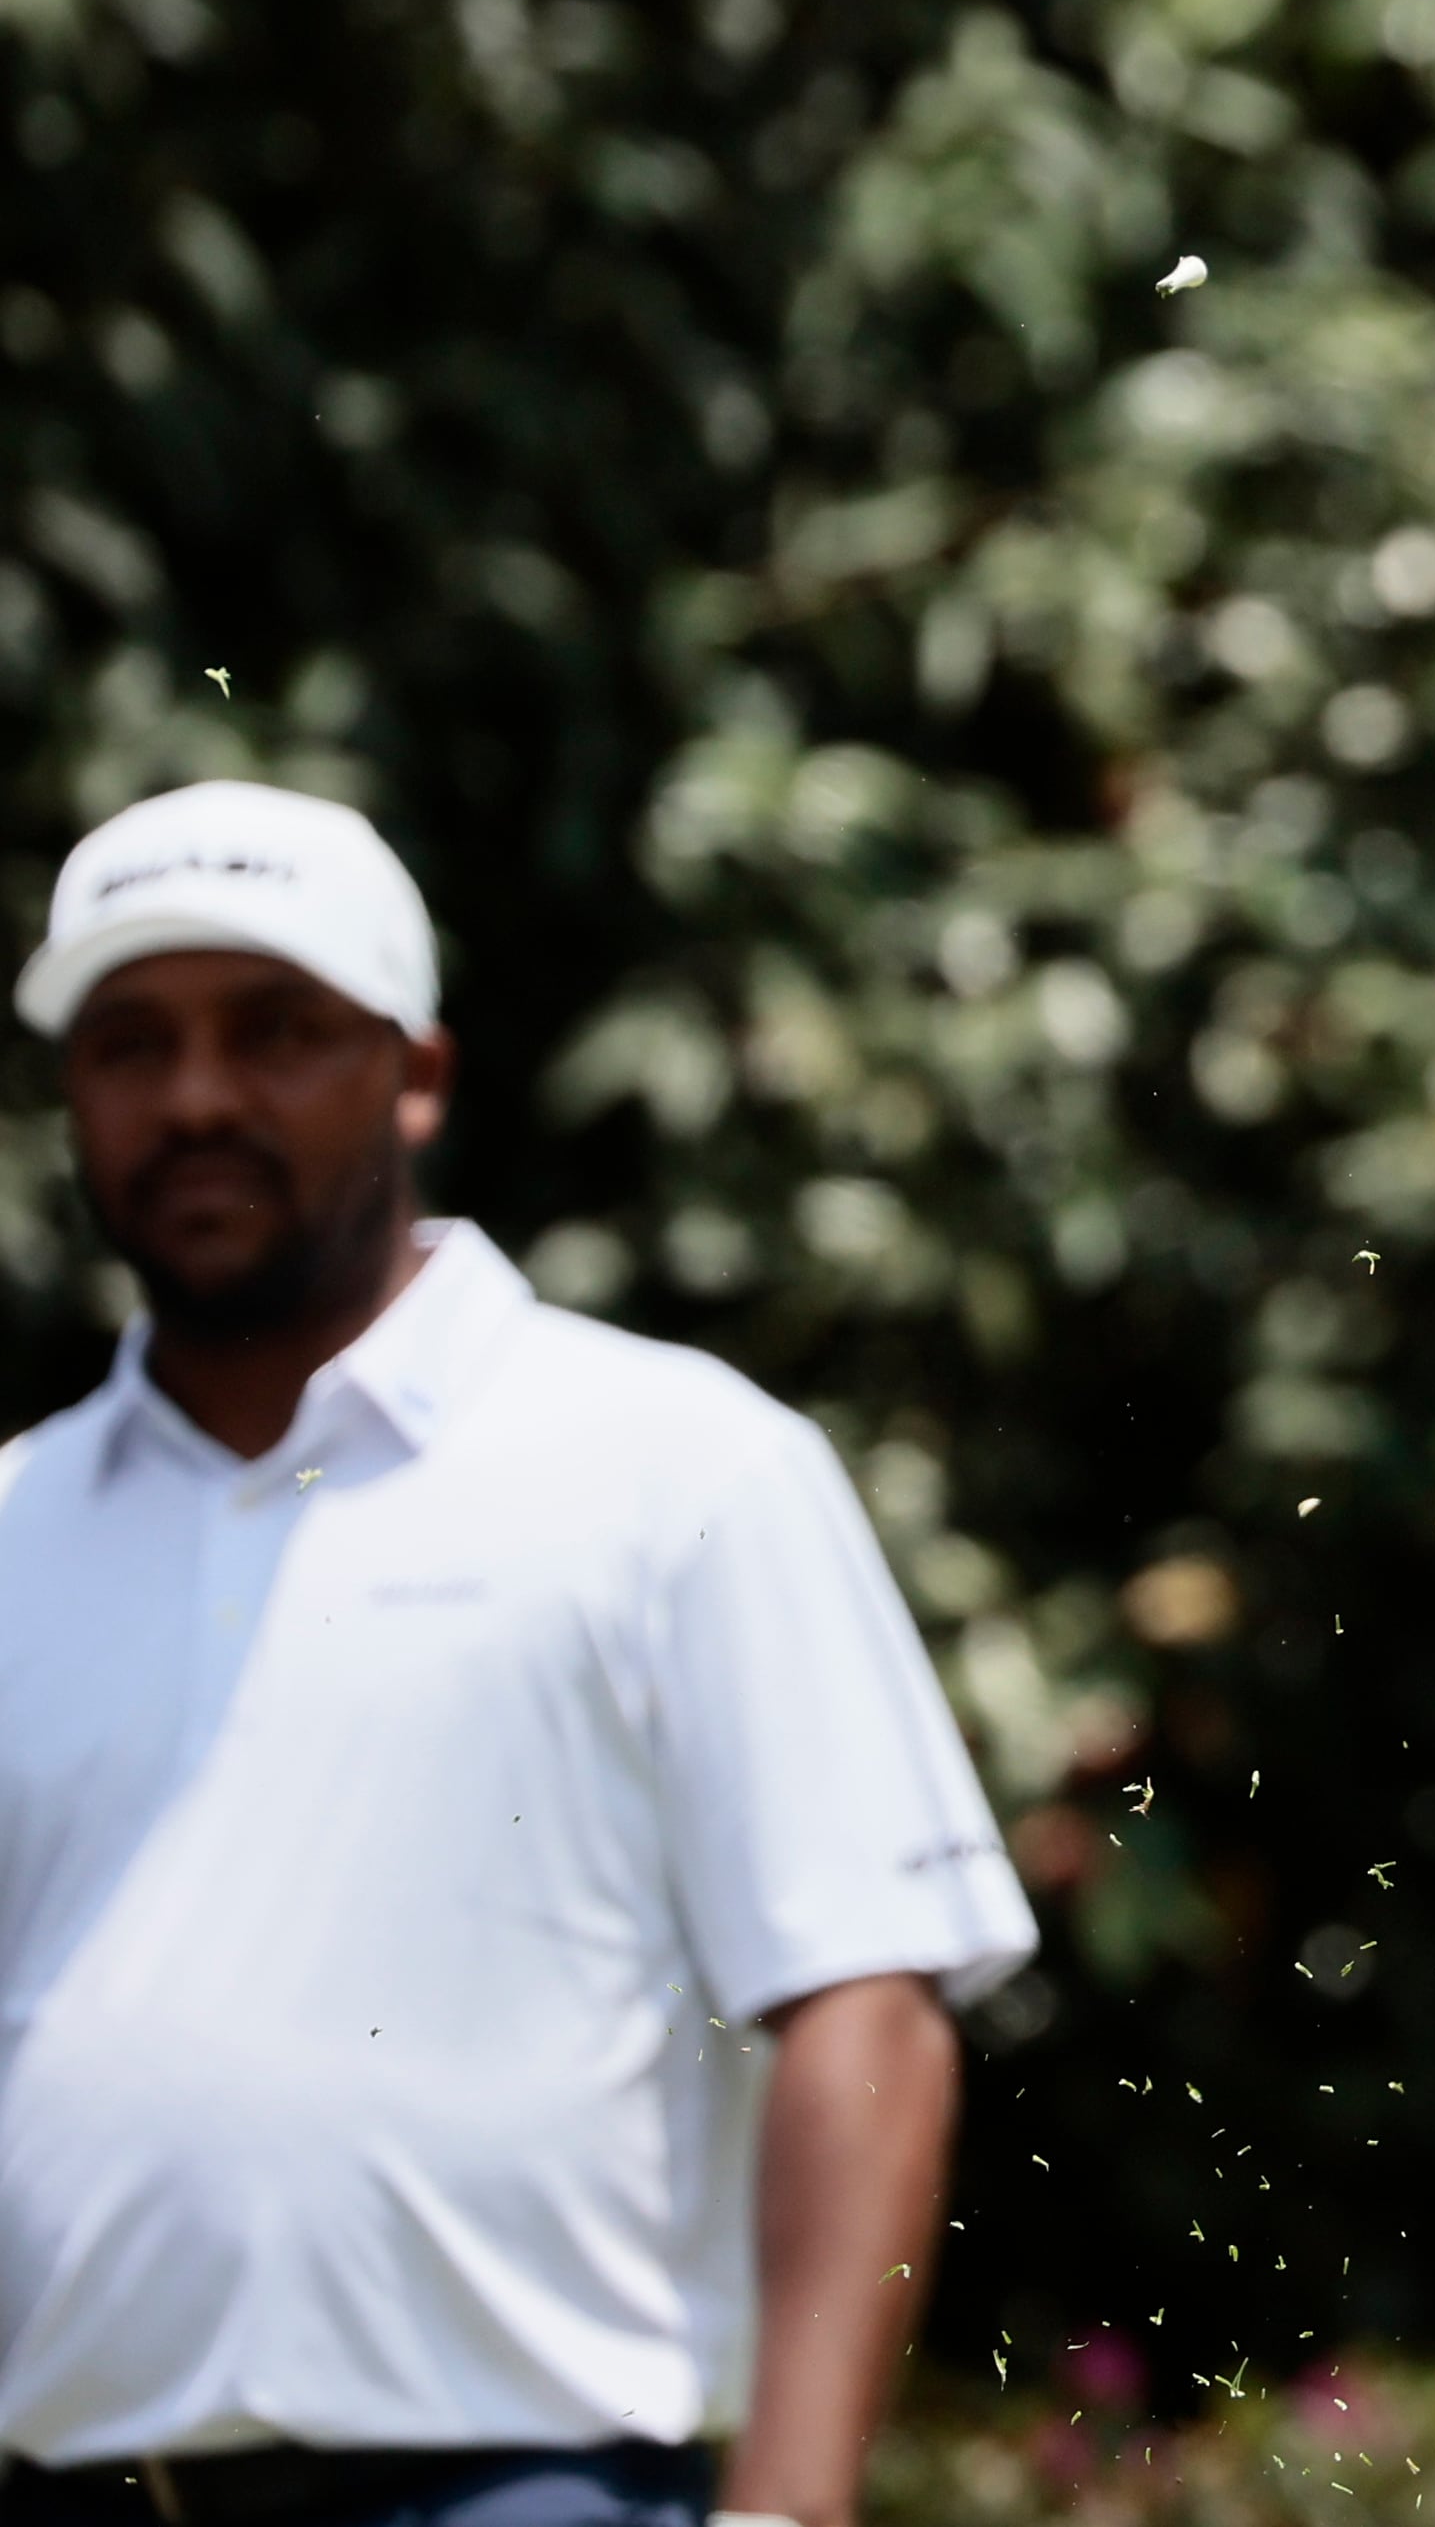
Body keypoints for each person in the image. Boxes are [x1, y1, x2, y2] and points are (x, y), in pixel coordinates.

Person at [0, 783, 1033, 2527]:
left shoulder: (676, 1468)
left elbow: (868, 2002)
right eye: (131, 1043)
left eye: (275, 1029)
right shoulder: (17, 1524)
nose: (196, 1098)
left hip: (525, 2489)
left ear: (417, 1075)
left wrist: (788, 2509)